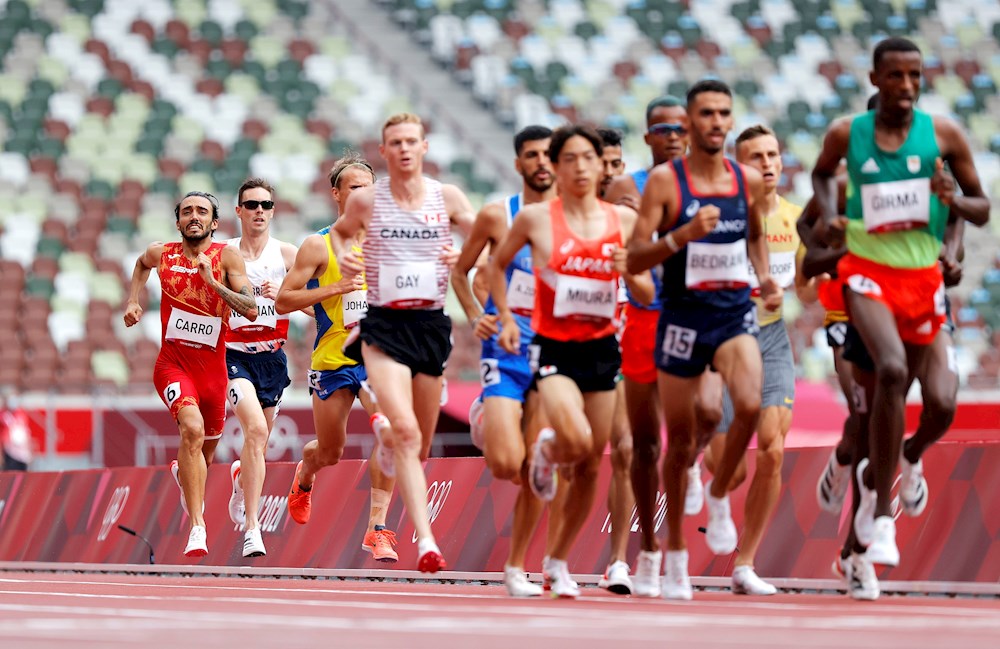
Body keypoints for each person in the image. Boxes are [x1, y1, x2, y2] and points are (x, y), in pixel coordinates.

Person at [811, 36, 989, 570]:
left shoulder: (943, 137)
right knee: (886, 378)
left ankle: (900, 462)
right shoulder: (847, 136)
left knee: (936, 402)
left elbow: (976, 210)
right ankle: (878, 518)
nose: (908, 85)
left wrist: (951, 211)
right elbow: (817, 190)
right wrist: (831, 222)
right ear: (875, 79)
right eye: (896, 75)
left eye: (916, 75)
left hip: (921, 282)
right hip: (865, 277)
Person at [627, 79, 781, 600]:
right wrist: (682, 237)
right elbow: (635, 257)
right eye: (706, 114)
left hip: (733, 314)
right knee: (679, 441)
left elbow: (755, 235)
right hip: (681, 320)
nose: (716, 122)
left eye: (723, 113)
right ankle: (673, 552)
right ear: (690, 123)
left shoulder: (746, 180)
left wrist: (765, 277)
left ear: (730, 120)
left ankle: (717, 495)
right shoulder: (665, 183)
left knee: (750, 404)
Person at [488, 124, 638, 598]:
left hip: (602, 350)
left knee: (591, 464)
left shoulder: (623, 220)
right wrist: (505, 317)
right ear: (556, 166)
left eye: (587, 158)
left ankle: (557, 561)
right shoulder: (535, 220)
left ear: (601, 164)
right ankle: (548, 453)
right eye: (568, 159)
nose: (579, 167)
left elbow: (646, 286)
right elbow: (494, 266)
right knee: (574, 439)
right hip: (552, 348)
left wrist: (630, 270)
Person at [328, 113, 474, 573]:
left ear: (424, 147)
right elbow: (340, 233)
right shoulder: (367, 200)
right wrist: (344, 258)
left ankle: (391, 446)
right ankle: (426, 541)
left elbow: (487, 237)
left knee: (421, 445)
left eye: (412, 141)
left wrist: (465, 254)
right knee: (407, 431)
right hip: (383, 326)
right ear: (384, 151)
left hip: (430, 325)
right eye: (396, 142)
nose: (405, 149)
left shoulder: (446, 197)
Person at [604, 95, 717, 598]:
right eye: (662, 129)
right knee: (636, 446)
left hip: (697, 317)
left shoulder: (712, 183)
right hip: (643, 320)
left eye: (679, 128)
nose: (672, 136)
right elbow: (627, 255)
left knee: (707, 413)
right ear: (648, 136)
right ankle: (636, 555)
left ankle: (691, 465)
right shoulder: (627, 189)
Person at [275, 151, 402, 563]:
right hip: (333, 358)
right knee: (330, 452)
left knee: (390, 430)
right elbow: (282, 301)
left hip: (378, 355)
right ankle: (305, 473)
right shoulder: (318, 245)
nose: (365, 195)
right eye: (355, 187)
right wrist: (335, 289)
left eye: (370, 188)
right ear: (337, 193)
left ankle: (378, 528)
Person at [701, 125, 810, 595]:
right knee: (732, 469)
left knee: (773, 449)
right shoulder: (720, 216)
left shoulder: (798, 219)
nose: (767, 163)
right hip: (724, 342)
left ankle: (745, 564)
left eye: (772, 154)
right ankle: (710, 481)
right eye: (756, 157)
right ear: (737, 165)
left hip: (772, 340)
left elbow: (807, 289)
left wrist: (822, 275)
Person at [124, 191, 258, 557]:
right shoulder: (162, 253)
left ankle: (183, 474)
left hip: (213, 374)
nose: (193, 216)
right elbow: (140, 264)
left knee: (204, 458)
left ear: (214, 222)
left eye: (201, 211)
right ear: (178, 221)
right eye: (187, 211)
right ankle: (198, 527)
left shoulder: (226, 256)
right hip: (173, 365)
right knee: (192, 430)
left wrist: (213, 283)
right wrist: (133, 300)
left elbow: (250, 309)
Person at [451, 126, 555, 596]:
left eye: (549, 154)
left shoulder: (576, 219)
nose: (541, 162)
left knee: (537, 461)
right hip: (506, 346)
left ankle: (518, 567)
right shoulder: (497, 215)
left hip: (553, 348)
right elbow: (461, 272)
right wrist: (477, 316)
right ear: (519, 164)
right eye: (532, 155)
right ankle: (486, 417)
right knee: (505, 463)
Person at [221, 178, 299, 558]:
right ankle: (252, 528)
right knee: (254, 429)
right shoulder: (224, 254)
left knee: (259, 443)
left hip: (272, 358)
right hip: (234, 357)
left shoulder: (287, 255)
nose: (259, 211)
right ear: (239, 211)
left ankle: (241, 480)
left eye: (265, 205)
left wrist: (283, 298)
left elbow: (315, 307)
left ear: (273, 211)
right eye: (251, 205)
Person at [0, 392, 31, 471]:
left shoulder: (21, 413)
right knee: (11, 471)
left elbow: (25, 432)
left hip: (22, 451)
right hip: (9, 450)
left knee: (22, 472)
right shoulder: (3, 415)